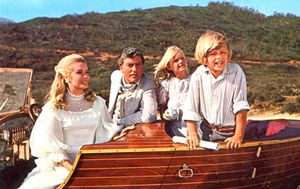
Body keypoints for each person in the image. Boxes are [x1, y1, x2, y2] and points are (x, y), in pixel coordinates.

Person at [20, 54, 121, 189]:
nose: (86, 76)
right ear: (66, 77)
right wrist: (73, 169)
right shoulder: (54, 108)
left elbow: (107, 131)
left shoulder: (97, 103)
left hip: (91, 162)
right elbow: (52, 148)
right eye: (79, 72)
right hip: (64, 166)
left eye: (87, 72)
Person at [183, 30, 250, 150]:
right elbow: (190, 107)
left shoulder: (236, 71)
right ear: (204, 58)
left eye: (223, 52)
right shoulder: (198, 74)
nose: (219, 57)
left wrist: (238, 136)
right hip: (205, 132)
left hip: (229, 134)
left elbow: (241, 106)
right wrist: (193, 134)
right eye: (213, 54)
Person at [108, 47, 157, 127]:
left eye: (138, 65)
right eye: (130, 65)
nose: (134, 69)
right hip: (109, 126)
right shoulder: (115, 76)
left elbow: (149, 115)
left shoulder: (148, 85)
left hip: (132, 130)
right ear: (121, 68)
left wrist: (120, 122)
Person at [154, 46, 190, 137]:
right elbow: (161, 110)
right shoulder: (166, 85)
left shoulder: (195, 80)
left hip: (196, 130)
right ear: (169, 66)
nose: (181, 61)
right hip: (175, 132)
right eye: (176, 60)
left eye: (182, 58)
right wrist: (167, 114)